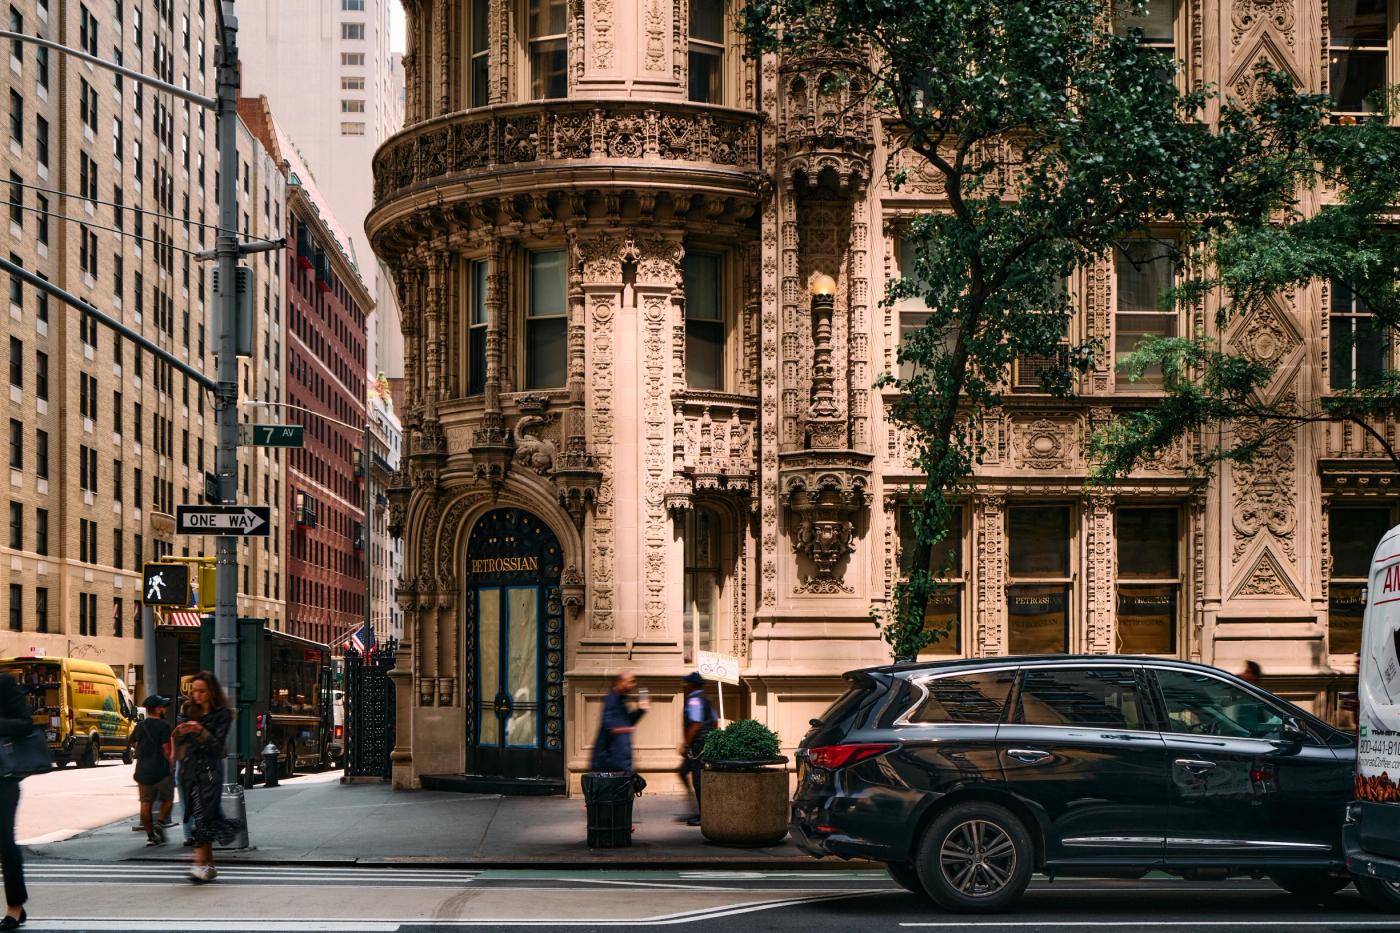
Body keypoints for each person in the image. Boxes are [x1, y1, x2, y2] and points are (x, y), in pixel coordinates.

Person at [172, 671, 243, 883]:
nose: (197, 695)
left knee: (202, 818)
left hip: (210, 771)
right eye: (194, 691)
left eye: (202, 691)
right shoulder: (188, 710)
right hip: (189, 770)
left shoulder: (222, 714)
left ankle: (200, 865)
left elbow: (217, 747)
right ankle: (208, 866)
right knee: (202, 816)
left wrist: (199, 730)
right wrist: (180, 731)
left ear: (211, 691)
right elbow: (177, 738)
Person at [0, 672, 29, 929]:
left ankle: (15, 907)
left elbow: (25, 723)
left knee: (5, 843)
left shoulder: (4, 682)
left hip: (3, 777)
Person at [128, 695, 175, 846]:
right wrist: (172, 765)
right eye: (163, 707)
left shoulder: (140, 726)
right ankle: (160, 823)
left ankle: (151, 836)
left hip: (143, 771)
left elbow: (133, 742)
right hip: (161, 770)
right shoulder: (164, 726)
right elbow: (167, 750)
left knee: (145, 803)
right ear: (157, 709)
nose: (165, 709)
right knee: (168, 800)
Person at [678, 673, 718, 827]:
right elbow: (715, 722)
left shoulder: (694, 700)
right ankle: (698, 809)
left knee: (698, 780)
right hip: (703, 743)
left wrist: (686, 745)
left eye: (686, 683)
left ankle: (704, 816)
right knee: (683, 772)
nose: (684, 686)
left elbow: (695, 724)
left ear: (692, 685)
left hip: (697, 746)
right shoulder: (706, 698)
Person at [590, 672, 648, 774]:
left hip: (618, 765)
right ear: (620, 682)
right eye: (630, 682)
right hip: (613, 766)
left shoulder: (620, 701)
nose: (633, 685)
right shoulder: (612, 701)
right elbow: (615, 729)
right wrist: (624, 765)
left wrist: (640, 710)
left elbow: (626, 723)